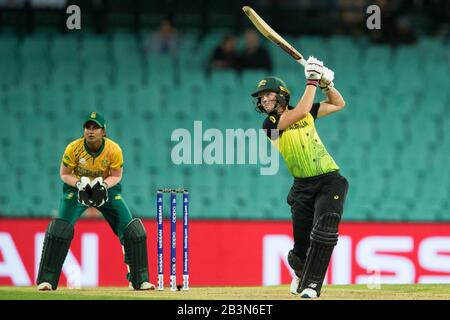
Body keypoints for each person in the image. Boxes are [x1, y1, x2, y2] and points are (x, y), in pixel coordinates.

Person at [251, 57, 349, 298]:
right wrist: (312, 80)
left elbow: (338, 103)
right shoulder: (270, 123)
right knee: (302, 248)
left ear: (282, 95)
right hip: (302, 187)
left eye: (269, 95)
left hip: (329, 179)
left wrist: (326, 84)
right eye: (261, 98)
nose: (264, 100)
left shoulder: (306, 112)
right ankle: (301, 272)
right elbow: (303, 110)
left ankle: (312, 286)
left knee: (325, 228)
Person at [36, 112, 154, 291]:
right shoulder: (73, 148)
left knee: (131, 230)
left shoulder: (114, 149)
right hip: (77, 190)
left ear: (103, 131)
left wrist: (104, 186)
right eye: (87, 128)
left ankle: (139, 281)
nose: (90, 131)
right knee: (60, 228)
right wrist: (79, 184)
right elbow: (64, 174)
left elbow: (117, 176)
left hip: (106, 189)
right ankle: (46, 281)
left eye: (95, 128)